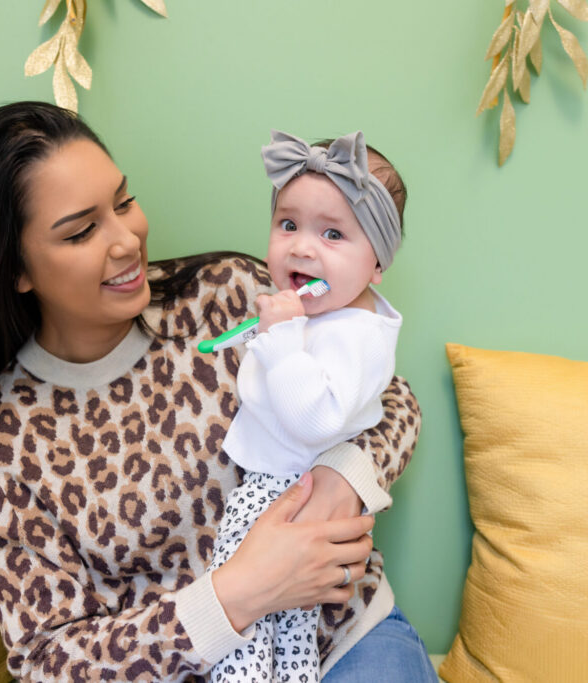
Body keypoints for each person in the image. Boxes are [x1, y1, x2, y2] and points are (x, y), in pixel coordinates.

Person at [0, 101, 434, 682]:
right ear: (14, 268)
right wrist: (240, 593)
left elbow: (393, 401)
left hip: (343, 640)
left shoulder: (230, 295)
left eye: (124, 203)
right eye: (82, 231)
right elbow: (49, 662)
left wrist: (343, 481)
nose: (126, 240)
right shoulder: (6, 449)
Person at [207, 130, 411, 683]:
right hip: (285, 490)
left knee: (244, 620)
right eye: (288, 224)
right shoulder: (328, 316)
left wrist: (279, 339)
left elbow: (315, 419)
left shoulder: (357, 333)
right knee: (289, 626)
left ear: (377, 263)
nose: (301, 247)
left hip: (285, 496)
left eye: (333, 233)